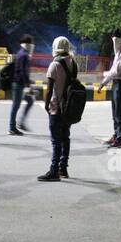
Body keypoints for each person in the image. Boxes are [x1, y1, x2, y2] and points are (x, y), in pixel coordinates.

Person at [38, 36, 79, 182]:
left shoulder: (54, 65)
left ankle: (54, 171)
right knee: (65, 138)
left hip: (56, 108)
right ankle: (63, 168)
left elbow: (49, 90)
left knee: (56, 141)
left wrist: (46, 104)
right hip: (68, 108)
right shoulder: (73, 63)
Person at [101, 30, 121, 148]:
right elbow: (113, 70)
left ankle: (119, 139)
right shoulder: (118, 53)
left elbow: (117, 71)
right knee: (114, 112)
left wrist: (104, 75)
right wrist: (104, 82)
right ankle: (115, 135)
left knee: (119, 113)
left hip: (120, 84)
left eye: (115, 40)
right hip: (115, 84)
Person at [8, 34, 34, 134]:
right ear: (27, 44)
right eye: (30, 43)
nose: (32, 45)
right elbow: (23, 71)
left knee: (29, 100)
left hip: (20, 83)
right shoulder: (24, 55)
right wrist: (28, 85)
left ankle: (20, 122)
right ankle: (12, 127)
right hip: (19, 84)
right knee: (16, 105)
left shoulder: (21, 53)